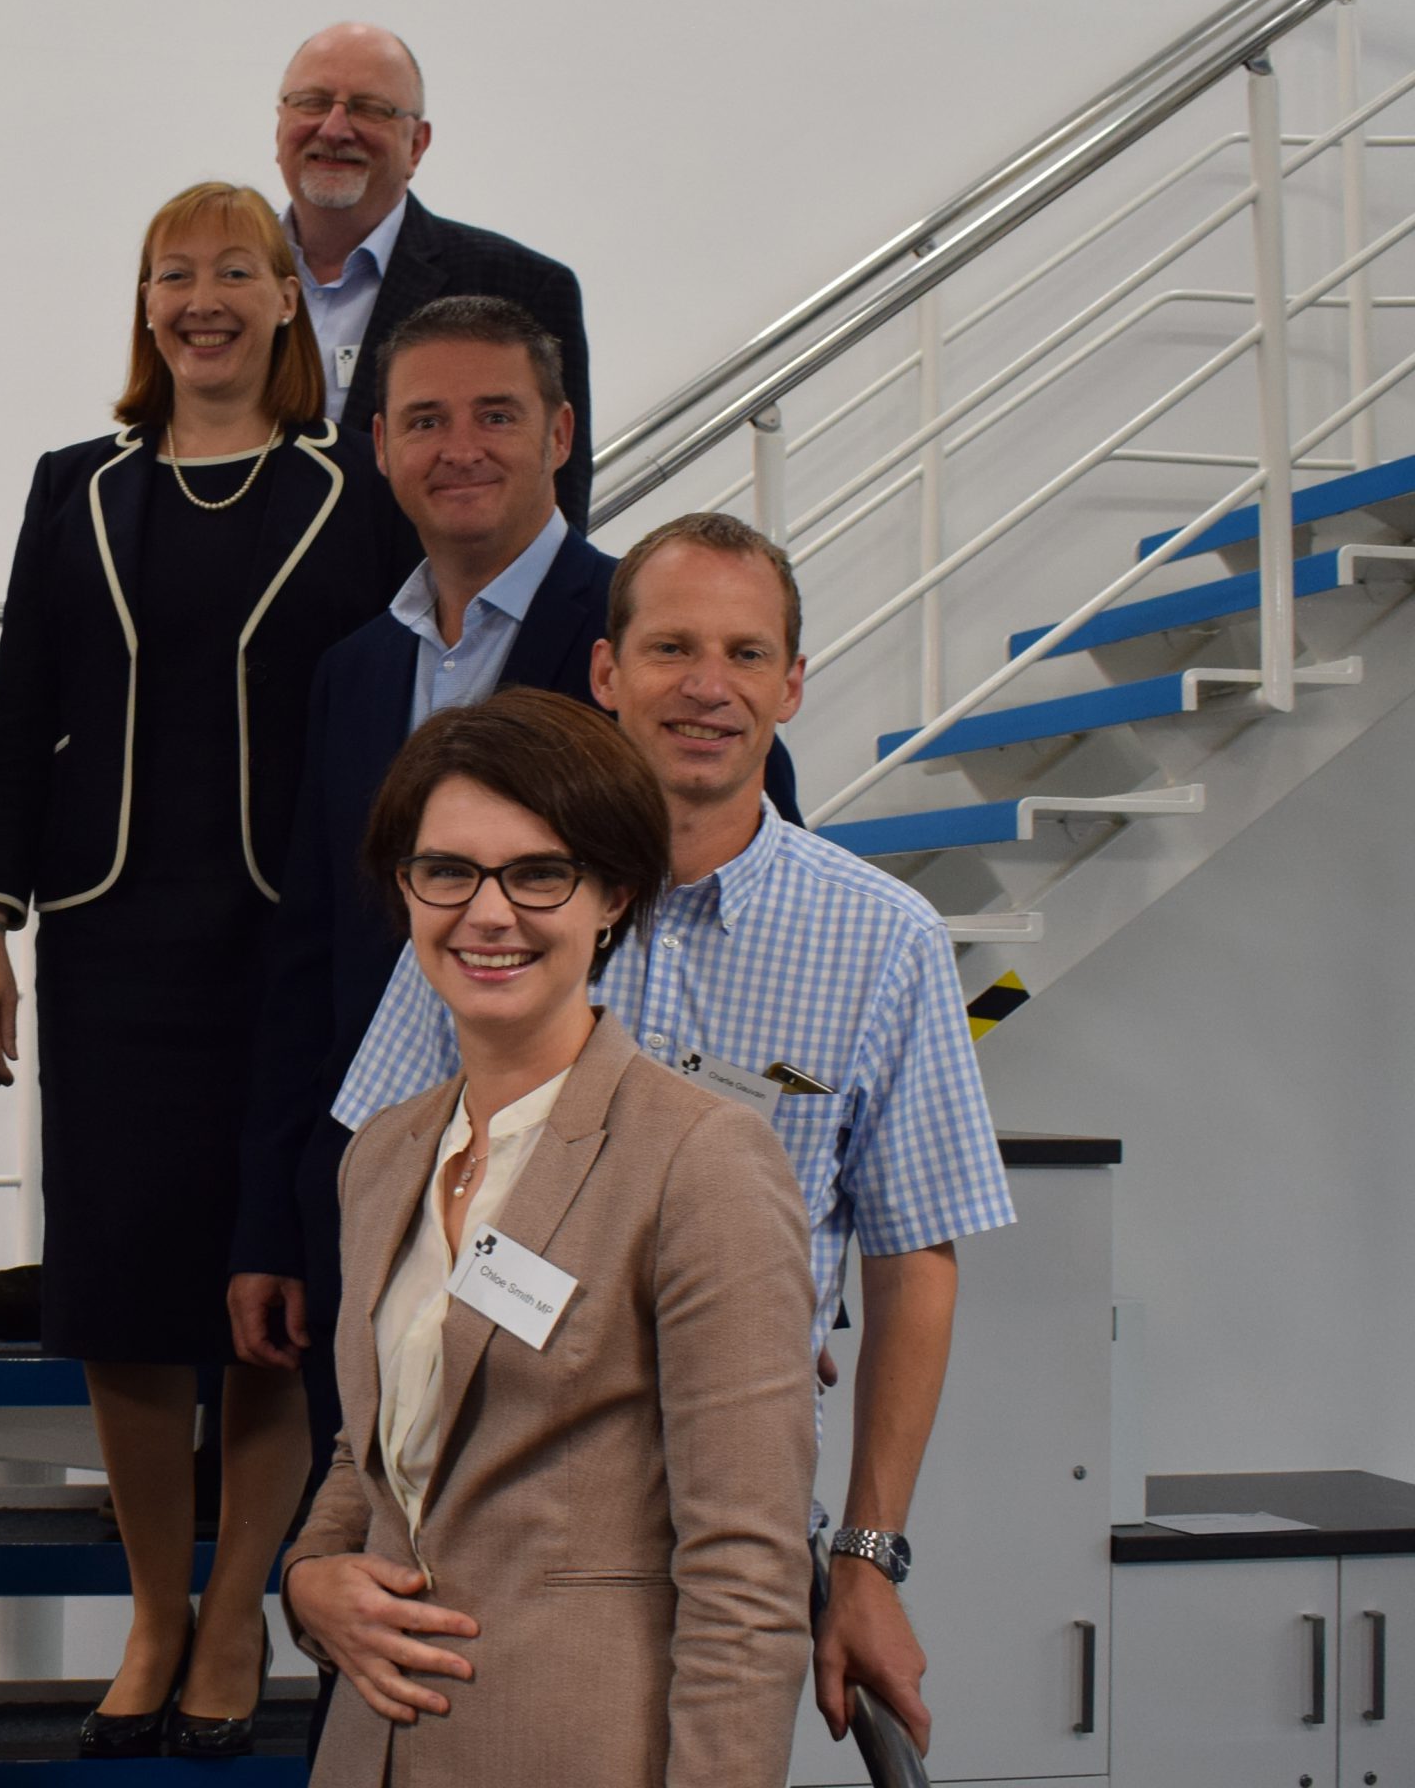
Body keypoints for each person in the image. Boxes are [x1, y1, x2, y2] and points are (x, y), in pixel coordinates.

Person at [336, 511, 1016, 1753]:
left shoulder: (884, 942)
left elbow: (914, 1254)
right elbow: (389, 1197)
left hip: (703, 1485)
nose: (708, 687)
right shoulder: (493, 904)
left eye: (747, 655)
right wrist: (327, 1550)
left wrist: (865, 1553)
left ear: (793, 684)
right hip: (473, 1484)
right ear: (607, 672)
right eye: (670, 650)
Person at [0, 181, 411, 1757]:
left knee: (263, 1292)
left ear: (292, 300)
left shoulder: (357, 499)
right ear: (144, 304)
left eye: (237, 270)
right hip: (109, 940)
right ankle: (158, 1608)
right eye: (174, 272)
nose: (203, 297)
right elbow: (19, 713)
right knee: (126, 1297)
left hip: (287, 949)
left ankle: (239, 1617)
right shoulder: (76, 488)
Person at [228, 295, 801, 1490]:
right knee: (380, 1543)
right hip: (389, 1197)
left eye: (498, 414)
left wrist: (771, 1260)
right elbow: (310, 959)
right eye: (425, 419)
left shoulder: (652, 642)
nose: (461, 447)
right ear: (379, 445)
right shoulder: (354, 668)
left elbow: (740, 951)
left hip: (608, 1223)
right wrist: (273, 1223)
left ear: (559, 435)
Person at [282, 688, 814, 1785]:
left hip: (582, 1747)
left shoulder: (699, 1158)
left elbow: (747, 1569)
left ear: (613, 894)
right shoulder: (380, 1155)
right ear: (405, 886)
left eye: (538, 873)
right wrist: (308, 1572)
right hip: (369, 1751)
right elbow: (370, 1446)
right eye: (448, 872)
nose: (487, 913)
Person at [274, 22, 594, 527]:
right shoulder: (211, 288)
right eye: (312, 102)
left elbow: (558, 511)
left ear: (417, 145)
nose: (334, 128)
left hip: (435, 602)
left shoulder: (521, 285)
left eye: (369, 108)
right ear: (279, 124)